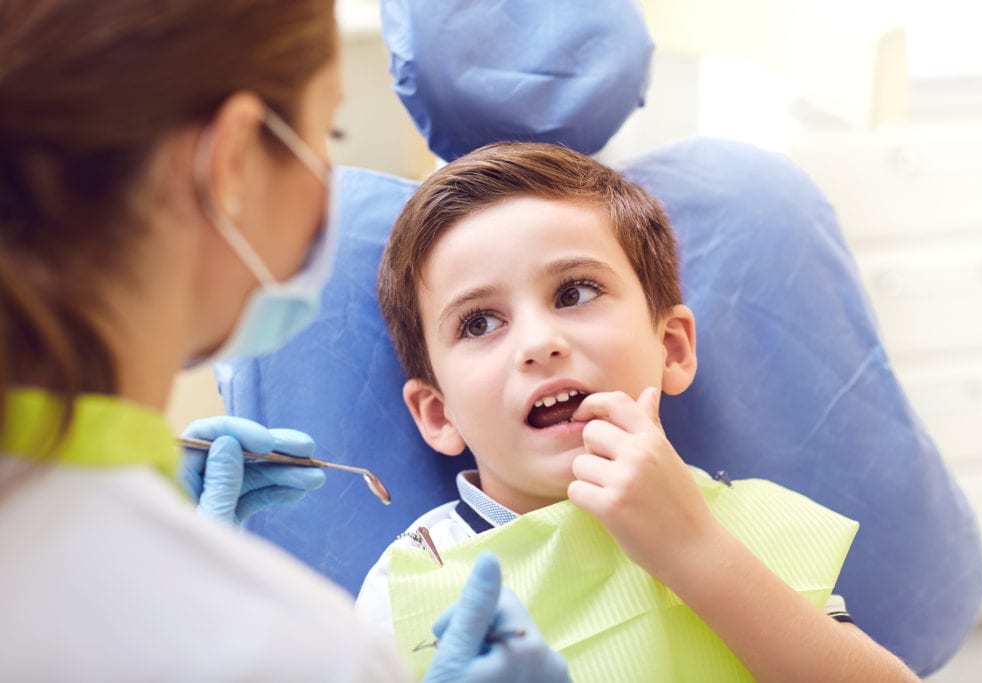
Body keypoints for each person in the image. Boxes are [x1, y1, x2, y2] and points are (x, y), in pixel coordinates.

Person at [0, 1, 568, 680]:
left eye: (574, 293)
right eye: (328, 128)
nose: (540, 342)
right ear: (235, 160)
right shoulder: (296, 652)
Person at [357, 141, 920, 682]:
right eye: (479, 322)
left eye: (574, 293)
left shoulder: (737, 528)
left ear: (671, 347)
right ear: (438, 414)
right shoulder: (411, 582)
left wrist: (697, 552)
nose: (539, 341)